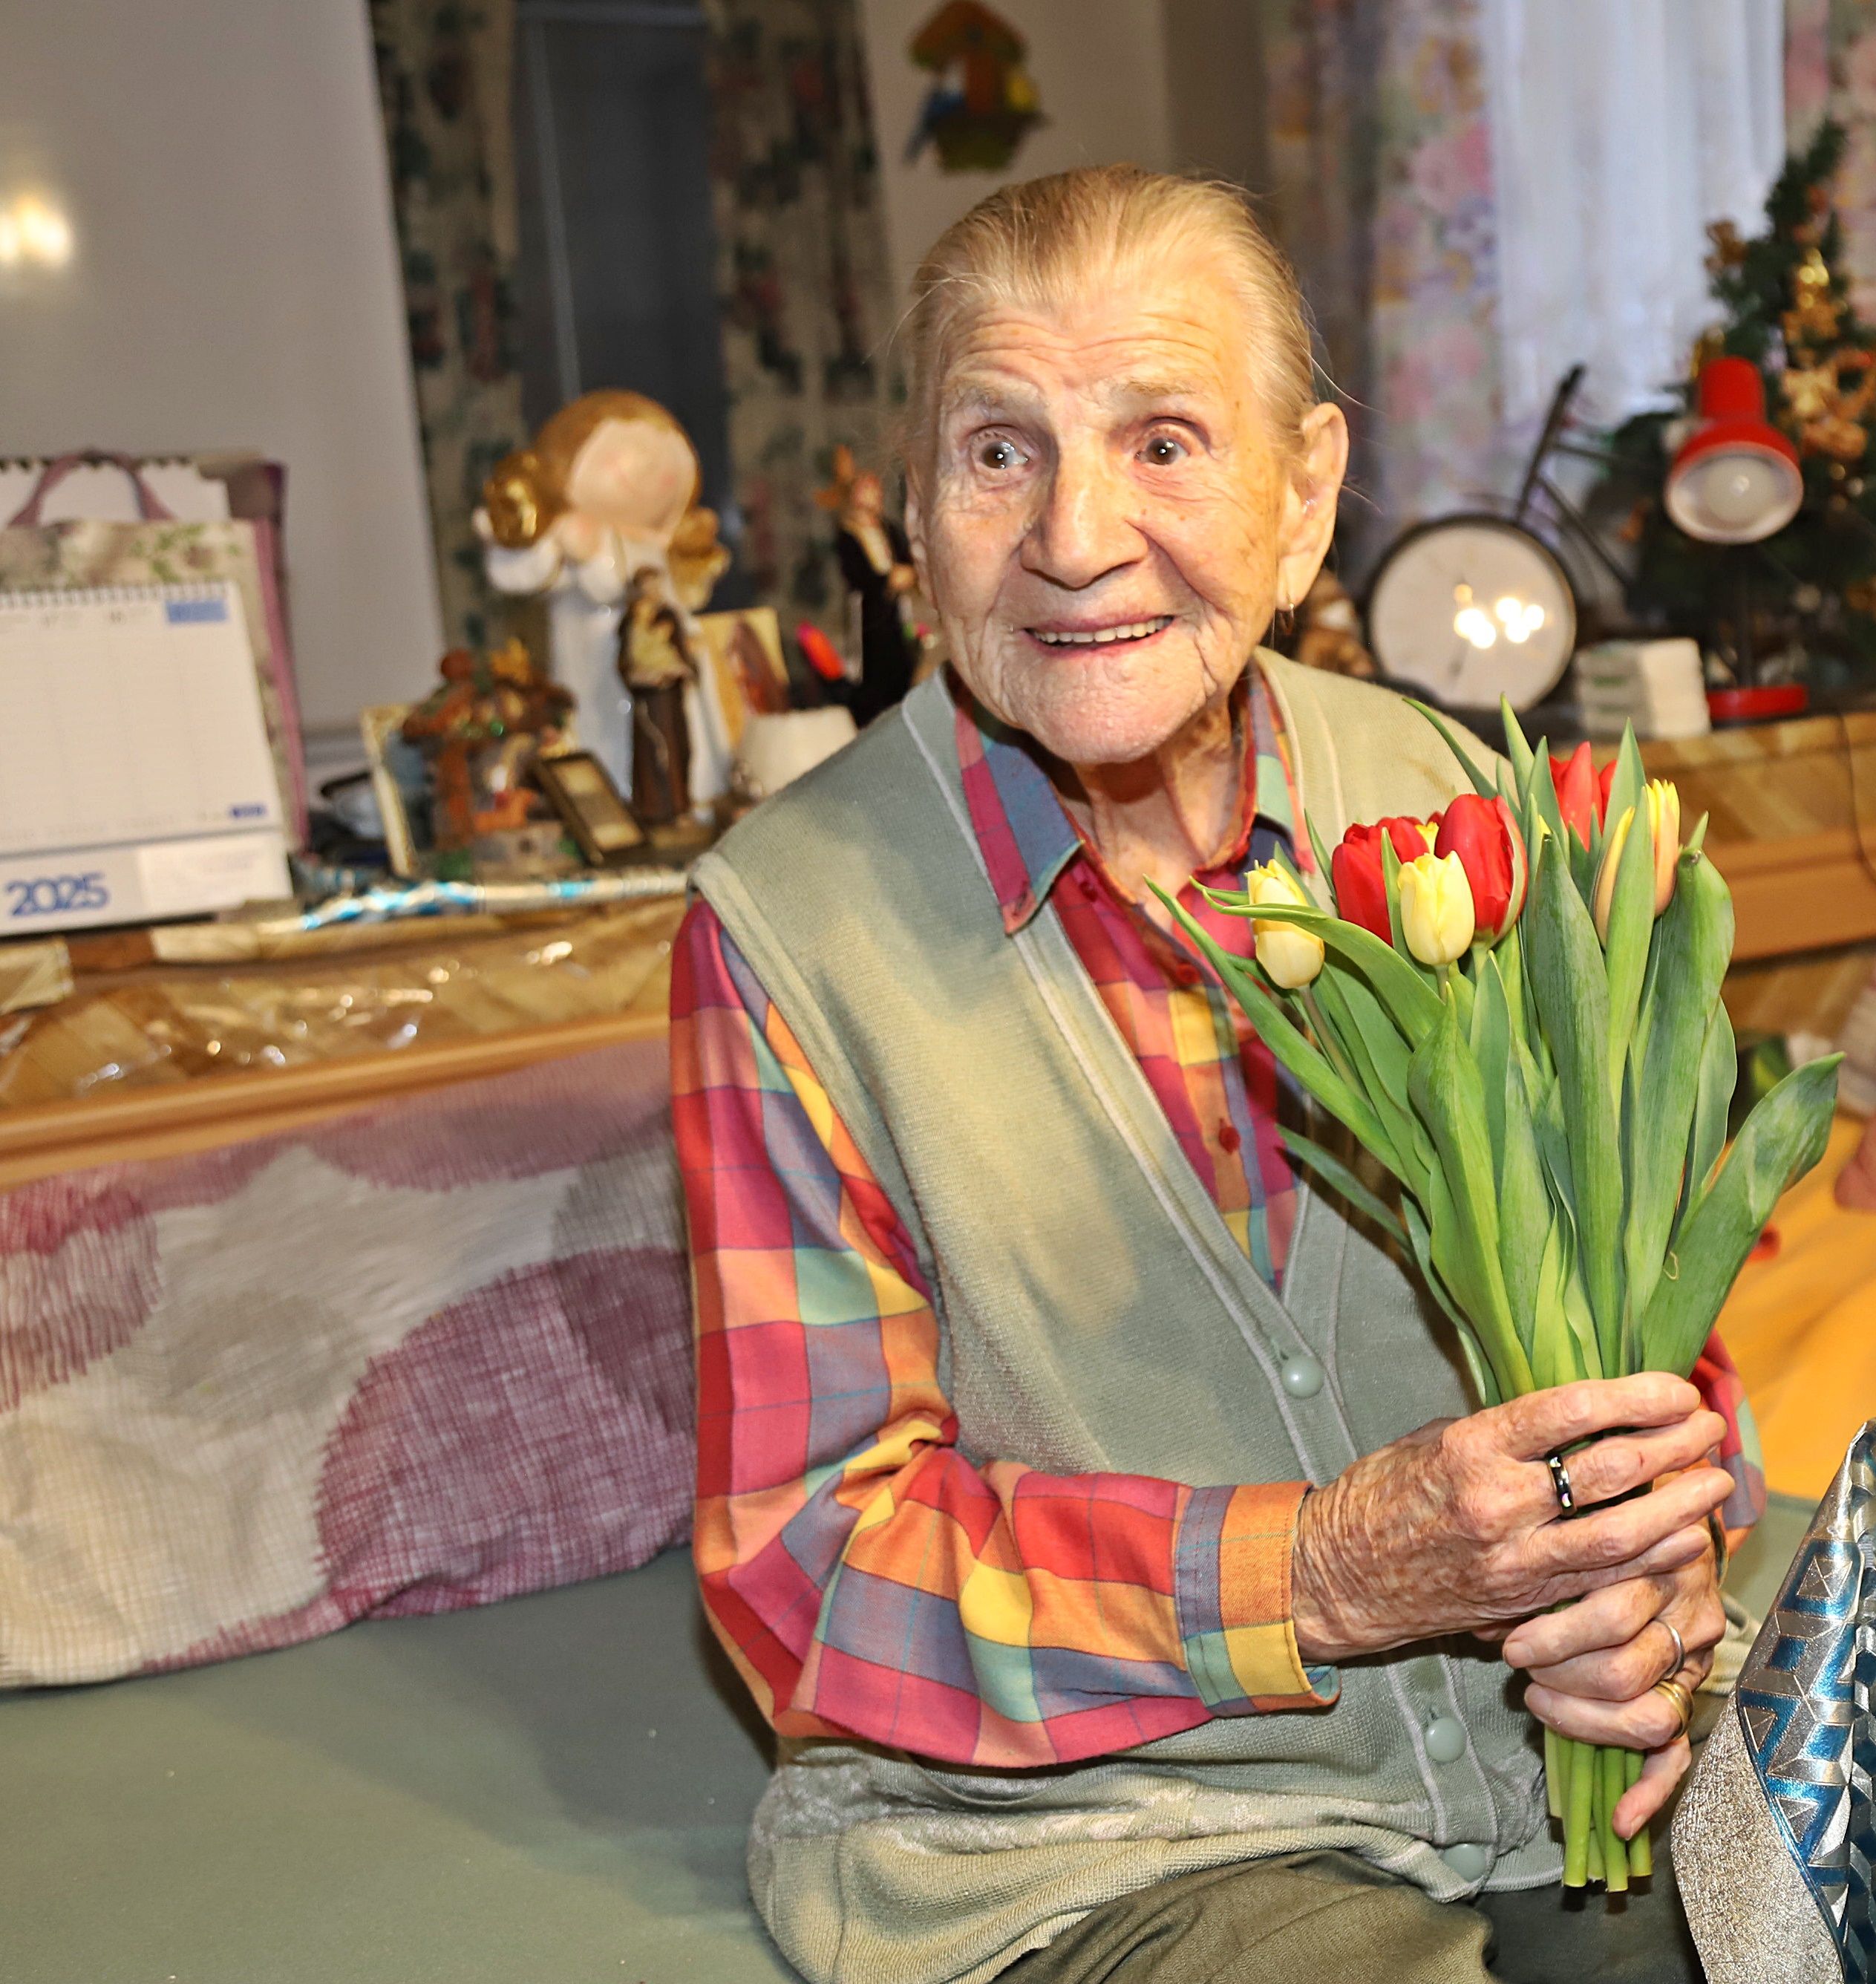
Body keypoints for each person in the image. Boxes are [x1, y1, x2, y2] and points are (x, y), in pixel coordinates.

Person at [671, 165, 1759, 1984]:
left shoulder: (1458, 803)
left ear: (1305, 488)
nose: (1077, 536)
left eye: (1164, 440)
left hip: (1559, 1759)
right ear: (911, 523)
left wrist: (1656, 1548)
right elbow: (812, 1575)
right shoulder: (788, 934)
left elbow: (1640, 1306)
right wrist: (1323, 1568)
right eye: (998, 452)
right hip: (1100, 1846)